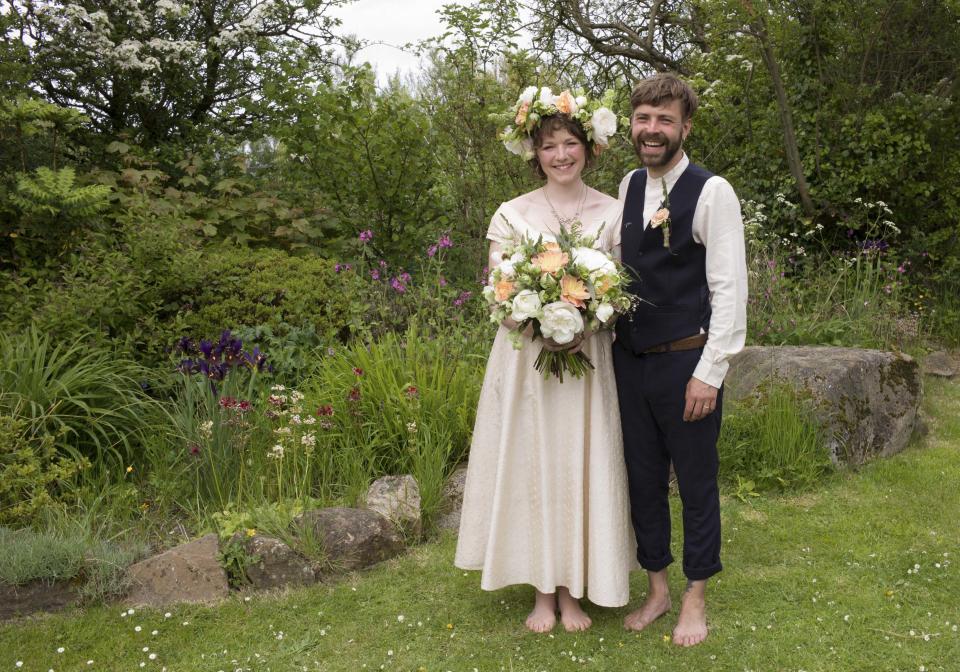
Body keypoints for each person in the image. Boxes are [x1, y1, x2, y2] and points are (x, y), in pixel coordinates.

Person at [455, 87, 635, 633]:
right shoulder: (512, 213)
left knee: (581, 461)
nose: (561, 155)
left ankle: (577, 589)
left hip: (589, 360)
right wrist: (535, 323)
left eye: (570, 143)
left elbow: (620, 288)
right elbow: (498, 288)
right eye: (550, 145)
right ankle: (541, 591)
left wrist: (587, 325)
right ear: (536, 153)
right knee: (534, 463)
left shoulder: (613, 210)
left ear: (590, 148)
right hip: (526, 364)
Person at [612, 73, 748, 646]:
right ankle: (658, 590)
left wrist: (709, 373)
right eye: (644, 118)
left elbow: (729, 290)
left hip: (686, 364)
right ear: (633, 124)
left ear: (684, 127)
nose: (652, 129)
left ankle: (696, 596)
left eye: (664, 119)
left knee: (695, 483)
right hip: (629, 361)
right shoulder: (626, 185)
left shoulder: (712, 191)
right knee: (642, 480)